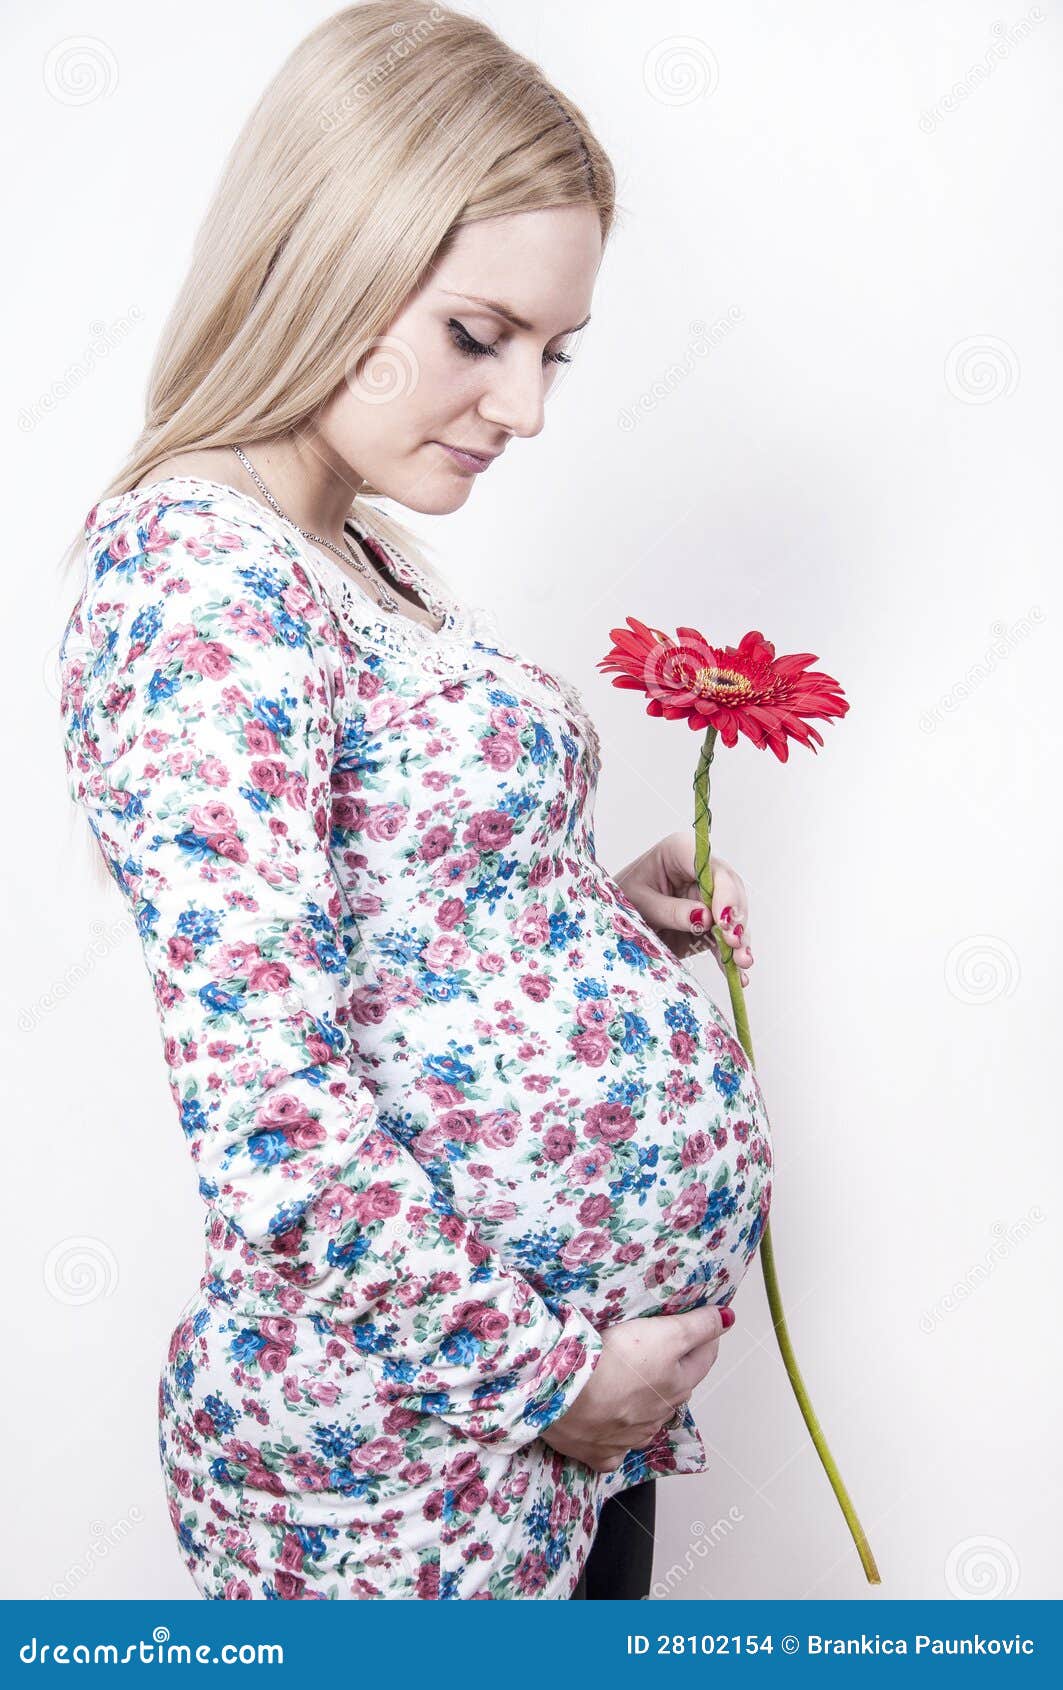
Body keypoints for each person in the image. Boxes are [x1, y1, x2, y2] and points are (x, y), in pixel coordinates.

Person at [57, 1, 767, 1601]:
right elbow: (273, 1122)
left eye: (554, 352)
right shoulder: (198, 574)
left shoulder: (346, 552)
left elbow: (399, 939)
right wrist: (556, 1383)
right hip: (406, 1496)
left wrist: (586, 913)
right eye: (479, 333)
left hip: (533, 1461)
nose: (524, 408)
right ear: (322, 252)